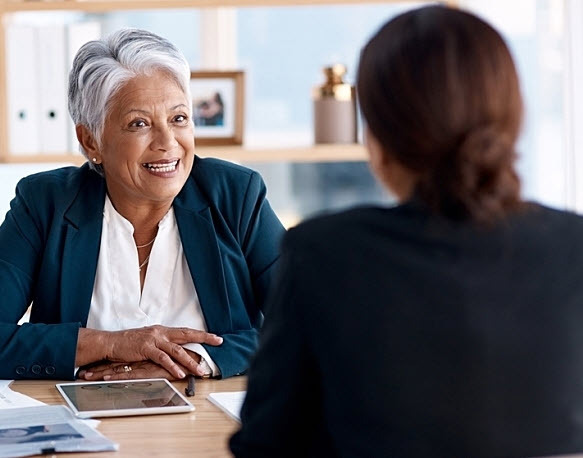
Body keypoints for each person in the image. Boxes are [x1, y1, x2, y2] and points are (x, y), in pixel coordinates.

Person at [230, 6, 583, 457]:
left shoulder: (324, 254)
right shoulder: (574, 246)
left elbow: (267, 445)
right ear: (513, 120)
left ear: (377, 139)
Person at [0, 28, 284, 383]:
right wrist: (113, 344)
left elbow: (309, 321)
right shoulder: (44, 203)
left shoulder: (236, 195)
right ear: (91, 141)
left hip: (208, 421)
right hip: (84, 423)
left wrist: (193, 358)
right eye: (139, 123)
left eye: (179, 119)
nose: (167, 143)